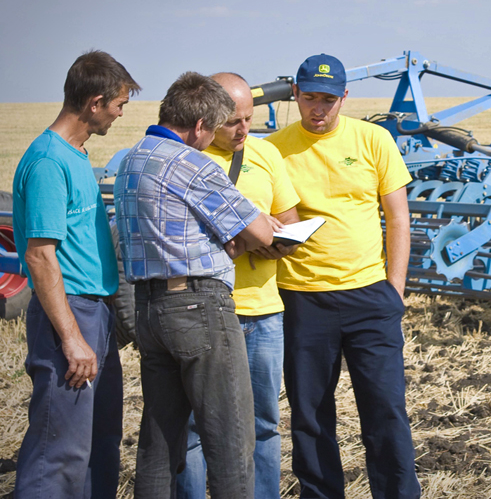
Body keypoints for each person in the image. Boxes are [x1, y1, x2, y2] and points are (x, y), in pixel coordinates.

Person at [113, 72, 283, 499]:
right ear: (201, 126)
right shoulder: (192, 163)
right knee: (232, 437)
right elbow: (262, 234)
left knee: (160, 438)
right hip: (198, 307)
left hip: (150, 309)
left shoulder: (134, 158)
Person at [268, 54, 421, 499]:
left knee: (387, 410)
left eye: (329, 99)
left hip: (370, 298)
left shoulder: (373, 140)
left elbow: (398, 219)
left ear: (344, 98)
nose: (319, 108)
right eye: (310, 97)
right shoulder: (274, 148)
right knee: (311, 415)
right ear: (295, 94)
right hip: (302, 298)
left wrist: (394, 291)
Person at [12, 50, 140, 498]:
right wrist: (70, 336)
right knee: (59, 451)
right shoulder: (49, 162)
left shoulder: (76, 155)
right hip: (69, 314)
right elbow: (41, 257)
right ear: (95, 102)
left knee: (98, 442)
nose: (120, 115)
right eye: (119, 105)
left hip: (95, 314)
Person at [176, 72, 300, 499]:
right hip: (207, 310)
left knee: (263, 423)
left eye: (249, 118)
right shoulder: (187, 159)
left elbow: (291, 219)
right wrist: (252, 238)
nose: (244, 130)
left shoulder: (264, 153)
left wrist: (280, 243)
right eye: (232, 122)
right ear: (207, 118)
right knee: (194, 424)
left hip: (265, 311)